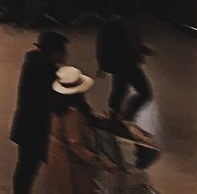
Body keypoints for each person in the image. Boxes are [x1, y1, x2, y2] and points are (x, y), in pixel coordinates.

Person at [10, 31, 69, 193]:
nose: (66, 53)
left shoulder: (32, 61)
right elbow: (54, 102)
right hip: (35, 127)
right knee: (29, 167)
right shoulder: (46, 71)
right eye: (63, 50)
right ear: (54, 52)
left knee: (25, 165)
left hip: (24, 123)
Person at [45, 66, 117, 193]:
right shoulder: (71, 113)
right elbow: (75, 144)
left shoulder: (57, 106)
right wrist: (100, 162)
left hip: (56, 157)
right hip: (69, 164)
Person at [97, 1, 153, 123]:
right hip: (127, 63)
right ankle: (127, 117)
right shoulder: (129, 25)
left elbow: (103, 46)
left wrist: (103, 66)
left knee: (119, 90)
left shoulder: (110, 23)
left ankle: (114, 115)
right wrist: (143, 51)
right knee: (145, 92)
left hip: (116, 64)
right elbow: (132, 45)